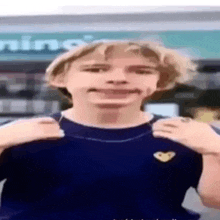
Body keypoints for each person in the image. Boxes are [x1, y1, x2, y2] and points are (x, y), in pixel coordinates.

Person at [0, 41, 220, 220]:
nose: (118, 79)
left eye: (141, 71)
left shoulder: (189, 135)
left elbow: (215, 200)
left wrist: (215, 151)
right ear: (60, 78)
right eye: (96, 69)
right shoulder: (18, 133)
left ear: (160, 81)